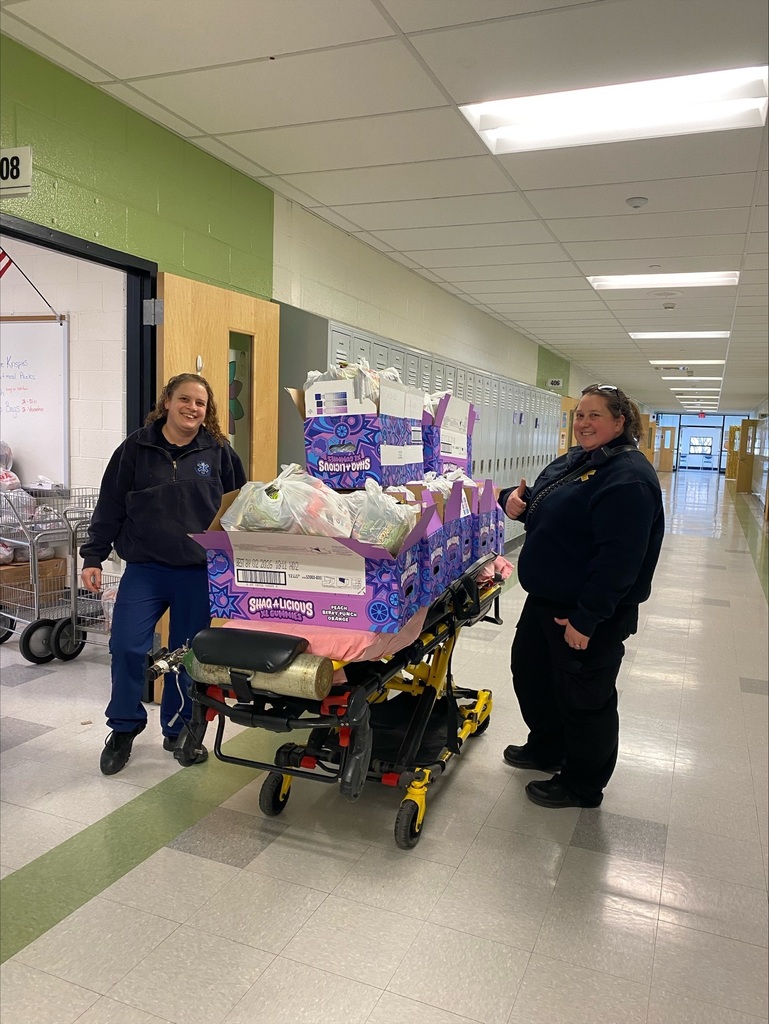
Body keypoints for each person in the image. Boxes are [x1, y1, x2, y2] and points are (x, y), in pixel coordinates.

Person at [499, 383, 664, 809]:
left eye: (594, 415)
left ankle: (582, 784)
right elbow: (548, 501)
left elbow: (619, 561)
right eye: (579, 415)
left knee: (584, 699)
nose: (584, 423)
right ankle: (549, 747)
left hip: (586, 613)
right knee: (532, 677)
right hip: (546, 601)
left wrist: (586, 620)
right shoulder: (581, 460)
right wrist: (513, 499)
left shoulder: (628, 477)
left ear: (619, 422)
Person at [80, 373, 246, 776]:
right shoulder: (135, 449)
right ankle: (123, 728)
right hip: (146, 568)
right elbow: (111, 505)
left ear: (208, 412)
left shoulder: (219, 451)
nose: (192, 408)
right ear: (167, 402)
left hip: (197, 572)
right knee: (127, 647)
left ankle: (179, 729)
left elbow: (242, 508)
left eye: (200, 404)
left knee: (186, 656)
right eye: (185, 399)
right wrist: (93, 557)